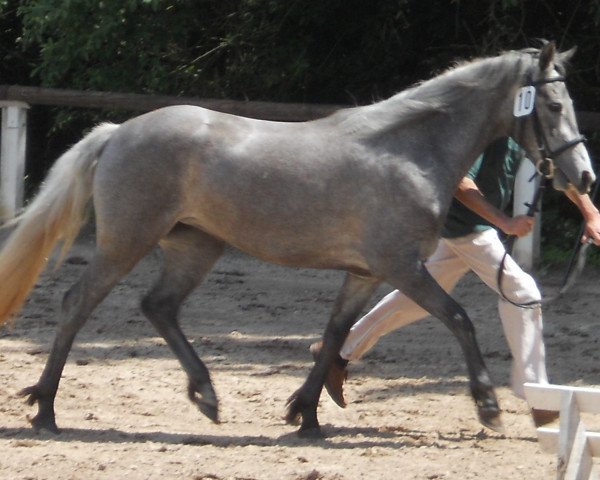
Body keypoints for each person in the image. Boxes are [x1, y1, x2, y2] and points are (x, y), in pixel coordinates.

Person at [312, 137, 600, 426]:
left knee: (416, 300)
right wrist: (504, 222)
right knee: (522, 293)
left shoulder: (523, 126)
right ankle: (537, 395)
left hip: (463, 228)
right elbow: (462, 184)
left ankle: (337, 350)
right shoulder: (491, 126)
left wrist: (590, 212)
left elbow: (558, 169)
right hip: (468, 229)